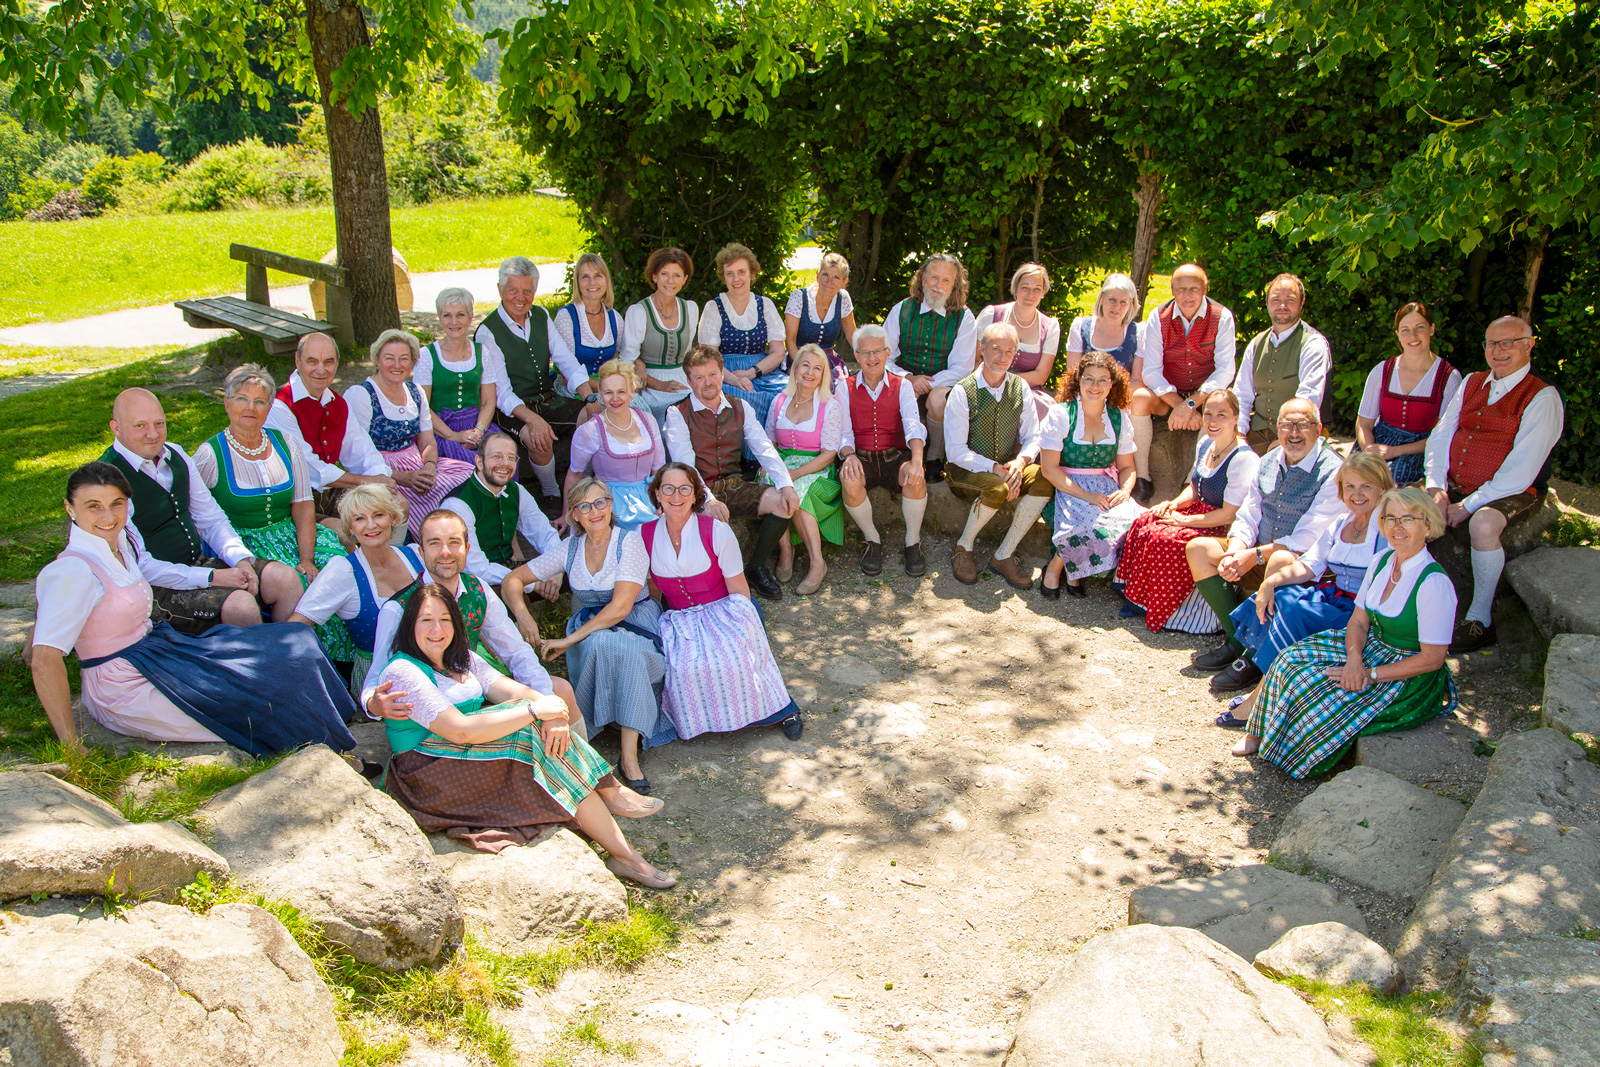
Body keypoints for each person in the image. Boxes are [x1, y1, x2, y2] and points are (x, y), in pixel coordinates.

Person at [30, 461, 358, 757]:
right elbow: (44, 660)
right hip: (124, 688)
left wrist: (213, 575)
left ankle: (337, 728)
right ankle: (331, 754)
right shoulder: (72, 571)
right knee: (259, 694)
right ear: (70, 509)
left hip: (160, 652)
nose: (107, 516)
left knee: (291, 642)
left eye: (116, 504)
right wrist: (72, 745)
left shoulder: (121, 540)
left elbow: (151, 568)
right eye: (93, 507)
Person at [372, 583, 674, 888]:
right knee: (528, 729)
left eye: (445, 619)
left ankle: (622, 848)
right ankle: (611, 804)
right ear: (410, 624)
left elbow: (512, 690)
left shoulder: (460, 658)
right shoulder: (403, 671)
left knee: (535, 724)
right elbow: (459, 729)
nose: (436, 628)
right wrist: (536, 712)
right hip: (426, 771)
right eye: (426, 619)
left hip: (458, 752)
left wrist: (551, 711)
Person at [1231, 489, 1458, 779]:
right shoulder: (1382, 561)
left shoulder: (1434, 583)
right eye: (1390, 518)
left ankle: (1289, 751)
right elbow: (1360, 621)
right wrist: (1354, 659)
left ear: (1427, 526)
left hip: (1407, 675)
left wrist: (1369, 674)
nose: (1397, 527)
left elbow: (1432, 660)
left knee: (1314, 687)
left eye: (1408, 519)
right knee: (1289, 659)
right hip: (1371, 647)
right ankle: (1259, 733)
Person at [501, 478, 675, 794]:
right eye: (585, 505)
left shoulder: (629, 542)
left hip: (636, 624)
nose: (594, 511)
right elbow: (513, 580)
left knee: (620, 647)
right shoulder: (569, 549)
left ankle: (628, 755)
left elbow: (621, 607)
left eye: (600, 502)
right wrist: (524, 616)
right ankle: (608, 743)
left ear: (610, 505)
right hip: (591, 632)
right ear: (575, 515)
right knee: (607, 645)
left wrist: (568, 640)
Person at [101, 387, 303, 632]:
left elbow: (211, 518)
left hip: (198, 563)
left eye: (159, 423)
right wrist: (213, 577)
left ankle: (286, 658)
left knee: (286, 579)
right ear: (116, 428)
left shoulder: (176, 455)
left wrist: (239, 559)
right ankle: (257, 666)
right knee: (241, 606)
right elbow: (137, 564)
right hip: (151, 586)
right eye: (140, 426)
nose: (153, 434)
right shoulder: (107, 479)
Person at [1423, 314, 1564, 652]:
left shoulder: (1542, 397)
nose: (1497, 350)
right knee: (1400, 506)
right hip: (1457, 481)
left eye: (1508, 343)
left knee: (1484, 525)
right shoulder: (1472, 381)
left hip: (1515, 490)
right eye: (1491, 343)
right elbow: (1441, 436)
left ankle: (1479, 620)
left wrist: (1466, 506)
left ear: (1528, 346)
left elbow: (1520, 471)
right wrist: (1435, 487)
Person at [195, 364, 354, 664]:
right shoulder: (209, 454)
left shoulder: (286, 444)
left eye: (259, 401)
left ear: (269, 407)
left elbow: (303, 503)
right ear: (227, 403)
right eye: (241, 398)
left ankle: (343, 664)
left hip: (293, 533)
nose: (250, 408)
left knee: (339, 568)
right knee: (300, 583)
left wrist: (306, 557)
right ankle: (291, 660)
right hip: (242, 545)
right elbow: (198, 512)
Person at [362, 508, 579, 725]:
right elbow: (374, 679)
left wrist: (547, 701)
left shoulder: (477, 589)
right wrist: (373, 705)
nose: (445, 552)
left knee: (560, 691)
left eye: (454, 542)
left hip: (475, 688)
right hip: (437, 712)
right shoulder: (398, 607)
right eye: (434, 543)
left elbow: (515, 651)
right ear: (421, 552)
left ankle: (580, 758)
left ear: (466, 549)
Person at [1212, 452, 1392, 706]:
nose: (1357, 494)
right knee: (1281, 597)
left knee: (1294, 610)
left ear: (1383, 488)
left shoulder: (1388, 528)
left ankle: (1261, 696)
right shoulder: (1342, 522)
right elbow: (1310, 565)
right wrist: (1270, 582)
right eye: (1350, 486)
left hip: (1364, 612)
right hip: (1338, 600)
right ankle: (1266, 678)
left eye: (1366, 486)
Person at [639, 464, 805, 740]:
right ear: (657, 494)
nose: (676, 496)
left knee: (731, 660)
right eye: (668, 489)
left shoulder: (716, 532)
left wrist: (733, 633)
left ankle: (781, 709)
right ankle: (704, 719)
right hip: (680, 618)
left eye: (684, 489)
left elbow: (740, 593)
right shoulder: (644, 535)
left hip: (726, 612)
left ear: (695, 496)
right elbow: (654, 590)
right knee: (684, 668)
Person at [1188, 398, 1344, 666]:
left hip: (1304, 566)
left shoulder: (1334, 470)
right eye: (1286, 425)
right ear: (1278, 428)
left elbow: (1307, 539)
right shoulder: (1268, 459)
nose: (1293, 433)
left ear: (1319, 429)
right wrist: (1236, 552)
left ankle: (1254, 657)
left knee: (1280, 559)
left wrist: (1253, 556)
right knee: (1199, 549)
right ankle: (1237, 640)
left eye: (1302, 425)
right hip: (1258, 553)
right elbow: (1248, 514)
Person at [663, 345, 801, 601]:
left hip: (735, 486)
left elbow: (764, 449)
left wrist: (786, 484)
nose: (708, 382)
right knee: (706, 522)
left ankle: (756, 567)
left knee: (783, 502)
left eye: (713, 374)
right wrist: (707, 500)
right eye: (699, 377)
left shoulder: (740, 407)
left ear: (722, 374)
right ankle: (715, 582)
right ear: (689, 380)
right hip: (696, 492)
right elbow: (685, 466)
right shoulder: (677, 413)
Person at [1117, 389, 1260, 632]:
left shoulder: (1244, 459)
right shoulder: (1206, 444)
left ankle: (1171, 611)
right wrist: (1174, 504)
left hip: (1220, 524)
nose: (1213, 421)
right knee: (1146, 521)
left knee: (1166, 538)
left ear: (1236, 417)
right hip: (1197, 511)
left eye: (1221, 415)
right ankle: (1141, 600)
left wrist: (1183, 520)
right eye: (1209, 414)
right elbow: (1195, 487)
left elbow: (1229, 514)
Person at [943, 322, 1053, 589]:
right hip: (964, 470)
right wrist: (995, 468)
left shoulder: (1020, 387)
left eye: (1009, 351)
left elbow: (1034, 436)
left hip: (1005, 468)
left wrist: (1021, 462)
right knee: (997, 486)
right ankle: (963, 546)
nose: (1002, 357)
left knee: (1045, 478)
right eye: (995, 349)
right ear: (982, 350)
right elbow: (955, 451)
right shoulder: (963, 391)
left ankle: (1004, 555)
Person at [290, 485, 425, 697]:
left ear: (393, 520)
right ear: (350, 529)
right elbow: (296, 625)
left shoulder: (415, 555)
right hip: (380, 681)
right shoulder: (343, 570)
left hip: (429, 662)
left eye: (378, 515)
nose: (370, 525)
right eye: (359, 518)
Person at [345, 329, 476, 539]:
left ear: (412, 362)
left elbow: (427, 440)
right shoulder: (361, 394)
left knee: (471, 476)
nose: (397, 365)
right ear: (377, 360)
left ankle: (469, 542)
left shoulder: (415, 391)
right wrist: (402, 477)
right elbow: (358, 455)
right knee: (442, 494)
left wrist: (430, 467)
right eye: (389, 358)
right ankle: (435, 541)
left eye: (404, 359)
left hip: (418, 465)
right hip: (382, 472)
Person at [1037, 352, 1145, 597]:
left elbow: (1127, 467)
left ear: (1112, 384)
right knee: (1090, 523)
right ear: (1078, 380)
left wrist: (1125, 491)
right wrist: (1086, 495)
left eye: (1102, 380)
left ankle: (1073, 570)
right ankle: (1056, 568)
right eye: (1089, 379)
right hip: (1069, 485)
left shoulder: (1119, 418)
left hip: (1107, 486)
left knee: (1138, 524)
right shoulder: (1062, 414)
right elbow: (1049, 469)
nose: (1095, 386)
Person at [477, 256, 583, 505]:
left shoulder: (541, 315)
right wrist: (533, 419)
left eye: (527, 291)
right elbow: (501, 392)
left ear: (535, 291)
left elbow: (565, 360)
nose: (520, 297)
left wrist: (588, 396)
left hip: (546, 398)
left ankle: (582, 483)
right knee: (538, 436)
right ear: (500, 290)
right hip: (510, 407)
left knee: (594, 417)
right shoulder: (487, 331)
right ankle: (550, 492)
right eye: (512, 290)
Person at [1130, 264, 1237, 504]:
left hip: (1205, 393)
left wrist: (1192, 404)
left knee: (1220, 405)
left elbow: (1225, 370)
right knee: (1139, 399)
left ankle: (1193, 481)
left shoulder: (1222, 317)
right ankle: (1142, 478)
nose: (1187, 296)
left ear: (1205, 289)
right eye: (1181, 289)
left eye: (1194, 289)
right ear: (1172, 290)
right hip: (1171, 395)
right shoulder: (1158, 317)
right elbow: (1152, 371)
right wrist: (1179, 404)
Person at [264, 332, 395, 519]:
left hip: (329, 494)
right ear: (297, 361)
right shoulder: (281, 405)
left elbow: (362, 452)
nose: (321, 369)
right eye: (312, 361)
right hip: (294, 502)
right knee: (343, 535)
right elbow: (310, 469)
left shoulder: (338, 403)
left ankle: (387, 549)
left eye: (328, 362)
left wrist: (381, 483)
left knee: (395, 506)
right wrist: (367, 481)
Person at [838, 323, 929, 576]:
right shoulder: (844, 387)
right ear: (856, 356)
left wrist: (918, 460)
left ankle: (912, 542)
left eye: (877, 351)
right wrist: (849, 456)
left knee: (915, 476)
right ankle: (872, 539)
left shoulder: (903, 385)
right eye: (865, 353)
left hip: (893, 456)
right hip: (861, 457)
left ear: (888, 353)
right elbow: (843, 432)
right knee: (850, 478)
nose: (872, 358)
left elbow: (913, 426)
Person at [884, 253, 978, 472]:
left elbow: (962, 368)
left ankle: (935, 456)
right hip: (905, 378)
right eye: (934, 277)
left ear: (954, 285)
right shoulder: (902, 309)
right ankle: (896, 455)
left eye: (946, 280)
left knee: (937, 400)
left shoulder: (964, 318)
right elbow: (884, 356)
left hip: (944, 383)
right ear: (923, 277)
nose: (939, 285)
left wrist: (925, 383)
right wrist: (907, 379)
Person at [764, 344, 845, 595]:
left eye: (817, 368)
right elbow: (769, 443)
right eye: (805, 365)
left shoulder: (829, 405)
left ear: (823, 375)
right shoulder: (779, 400)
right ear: (795, 368)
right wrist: (778, 471)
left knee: (796, 492)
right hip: (782, 465)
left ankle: (817, 563)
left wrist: (794, 474)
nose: (810, 372)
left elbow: (829, 454)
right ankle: (786, 549)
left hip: (815, 469)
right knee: (772, 489)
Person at [1354, 302, 1462, 487]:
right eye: (1405, 330)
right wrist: (1369, 452)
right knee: (1354, 480)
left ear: (1432, 329)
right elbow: (1364, 423)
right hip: (1377, 445)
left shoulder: (1448, 377)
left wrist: (1394, 451)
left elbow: (1443, 437)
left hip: (1420, 449)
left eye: (1419, 328)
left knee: (1392, 485)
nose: (1412, 336)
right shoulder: (1382, 371)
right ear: (1397, 334)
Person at [442, 432, 563, 591]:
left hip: (508, 568)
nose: (504, 463)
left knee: (579, 572)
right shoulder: (457, 504)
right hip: (471, 582)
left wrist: (556, 568)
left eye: (511, 458)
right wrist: (530, 583)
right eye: (496, 456)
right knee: (516, 597)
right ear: (479, 462)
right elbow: (476, 568)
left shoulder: (517, 491)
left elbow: (546, 535)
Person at [563, 359, 665, 532]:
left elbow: (659, 470)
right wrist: (566, 515)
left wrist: (662, 502)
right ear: (600, 395)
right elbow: (575, 474)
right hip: (609, 504)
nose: (615, 398)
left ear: (632, 392)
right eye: (609, 393)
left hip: (649, 500)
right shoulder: (591, 430)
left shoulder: (647, 420)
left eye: (621, 392)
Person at [1235, 274, 1332, 454]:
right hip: (1258, 431)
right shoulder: (1257, 343)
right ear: (1267, 304)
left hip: (1299, 434)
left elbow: (1308, 398)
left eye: (1290, 300)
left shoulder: (1313, 343)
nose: (1282, 306)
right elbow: (1242, 393)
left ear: (1302, 303)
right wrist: (1239, 434)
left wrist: (1286, 438)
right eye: (1276, 300)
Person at [698, 242, 788, 423]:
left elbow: (778, 352)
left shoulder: (765, 305)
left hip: (763, 370)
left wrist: (752, 372)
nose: (736, 279)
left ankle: (783, 447)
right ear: (723, 277)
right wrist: (731, 378)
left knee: (790, 393)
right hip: (725, 371)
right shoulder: (714, 308)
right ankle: (749, 450)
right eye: (729, 274)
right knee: (742, 398)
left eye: (741, 272)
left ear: (752, 274)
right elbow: (709, 357)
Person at [414, 288, 499, 464]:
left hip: (477, 424)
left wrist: (478, 432)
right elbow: (423, 407)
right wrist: (454, 435)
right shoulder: (426, 355)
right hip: (441, 429)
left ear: (470, 316)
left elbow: (488, 401)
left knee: (500, 457)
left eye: (460, 314)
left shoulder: (482, 352)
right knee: (467, 464)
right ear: (439, 318)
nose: (454, 322)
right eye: (447, 315)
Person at [973, 263, 1061, 421]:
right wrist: (991, 382)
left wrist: (1007, 383)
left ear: (1044, 292)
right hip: (986, 384)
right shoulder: (992, 314)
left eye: (1037, 289)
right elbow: (973, 359)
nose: (1030, 295)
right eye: (1025, 287)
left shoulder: (1050, 327)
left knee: (1047, 411)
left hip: (1027, 389)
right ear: (1015, 288)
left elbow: (1041, 375)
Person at [625, 247, 701, 426]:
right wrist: (659, 384)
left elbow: (688, 355)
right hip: (649, 384)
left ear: (685, 279)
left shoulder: (690, 309)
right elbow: (627, 361)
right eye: (664, 274)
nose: (670, 280)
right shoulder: (639, 312)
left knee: (704, 404)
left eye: (677, 275)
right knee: (671, 410)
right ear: (654, 276)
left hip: (683, 379)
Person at [553, 253, 625, 416]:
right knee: (608, 417)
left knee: (640, 409)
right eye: (585, 277)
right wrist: (608, 386)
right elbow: (566, 373)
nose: (592, 283)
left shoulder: (614, 317)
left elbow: (627, 355)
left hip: (608, 387)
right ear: (577, 282)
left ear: (606, 280)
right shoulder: (567, 317)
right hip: (575, 389)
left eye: (598, 276)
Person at [783, 252, 858, 385]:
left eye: (836, 277)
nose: (829, 281)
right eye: (825, 275)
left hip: (828, 361)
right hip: (800, 359)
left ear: (844, 282)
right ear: (817, 275)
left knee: (839, 387)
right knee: (805, 386)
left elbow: (853, 336)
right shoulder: (799, 297)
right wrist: (806, 368)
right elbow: (790, 341)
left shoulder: (843, 298)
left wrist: (868, 359)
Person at [1065, 273, 1143, 382]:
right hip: (1087, 394)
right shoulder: (1080, 327)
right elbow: (1073, 376)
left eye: (1123, 302)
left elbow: (1136, 381)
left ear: (1131, 304)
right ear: (1102, 299)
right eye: (1112, 300)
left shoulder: (1138, 332)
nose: (1117, 307)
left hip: (1122, 396)